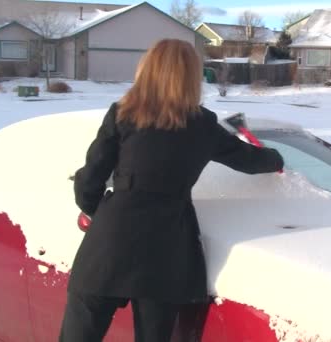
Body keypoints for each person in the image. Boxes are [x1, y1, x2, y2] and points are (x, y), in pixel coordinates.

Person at [59, 39, 284, 342]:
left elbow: (90, 180)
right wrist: (278, 158)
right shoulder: (203, 124)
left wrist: (101, 212)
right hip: (166, 248)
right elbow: (250, 161)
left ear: (147, 70)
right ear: (192, 76)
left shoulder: (123, 114)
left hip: (109, 243)